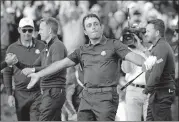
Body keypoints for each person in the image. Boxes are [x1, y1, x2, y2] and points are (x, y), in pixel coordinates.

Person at [27, 13, 155, 121]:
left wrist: (145, 61)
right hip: (86, 97)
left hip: (106, 97)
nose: (93, 27)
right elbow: (61, 64)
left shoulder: (113, 44)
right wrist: (39, 74)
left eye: (95, 24)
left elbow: (133, 57)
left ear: (101, 27)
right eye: (89, 25)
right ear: (85, 32)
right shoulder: (81, 50)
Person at [19, 17, 67, 121]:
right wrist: (16, 62)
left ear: (49, 30)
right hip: (48, 91)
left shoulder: (57, 46)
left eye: (41, 29)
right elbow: (32, 67)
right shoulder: (46, 48)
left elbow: (56, 67)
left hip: (54, 91)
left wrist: (33, 70)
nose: (38, 32)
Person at [3, 17, 45, 121]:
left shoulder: (42, 46)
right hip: (20, 94)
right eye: (24, 30)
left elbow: (46, 67)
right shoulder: (12, 48)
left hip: (38, 92)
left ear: (34, 30)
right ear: (19, 30)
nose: (27, 33)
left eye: (30, 30)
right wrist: (9, 94)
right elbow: (7, 72)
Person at [143, 19, 176, 121]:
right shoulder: (158, 47)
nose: (145, 34)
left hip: (162, 94)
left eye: (148, 31)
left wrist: (146, 90)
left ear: (157, 33)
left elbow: (156, 73)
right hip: (157, 94)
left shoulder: (161, 47)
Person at [121, 33, 153, 121]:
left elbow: (155, 62)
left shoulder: (151, 48)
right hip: (133, 91)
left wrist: (140, 47)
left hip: (149, 91)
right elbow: (127, 70)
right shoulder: (128, 51)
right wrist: (125, 49)